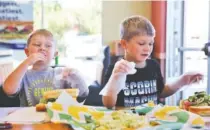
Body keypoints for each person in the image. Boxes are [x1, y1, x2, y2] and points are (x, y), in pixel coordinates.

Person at [101, 15, 203, 108]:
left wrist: (183, 80)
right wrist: (115, 78)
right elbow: (108, 104)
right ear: (124, 44)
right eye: (141, 44)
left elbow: (161, 92)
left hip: (153, 123)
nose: (147, 49)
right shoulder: (116, 69)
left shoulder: (153, 65)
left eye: (150, 44)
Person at [3, 29, 89, 106]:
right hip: (30, 120)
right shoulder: (23, 74)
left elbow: (83, 93)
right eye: (37, 45)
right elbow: (8, 89)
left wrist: (76, 75)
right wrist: (26, 63)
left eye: (48, 46)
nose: (42, 48)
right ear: (27, 52)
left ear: (55, 54)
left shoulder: (62, 74)